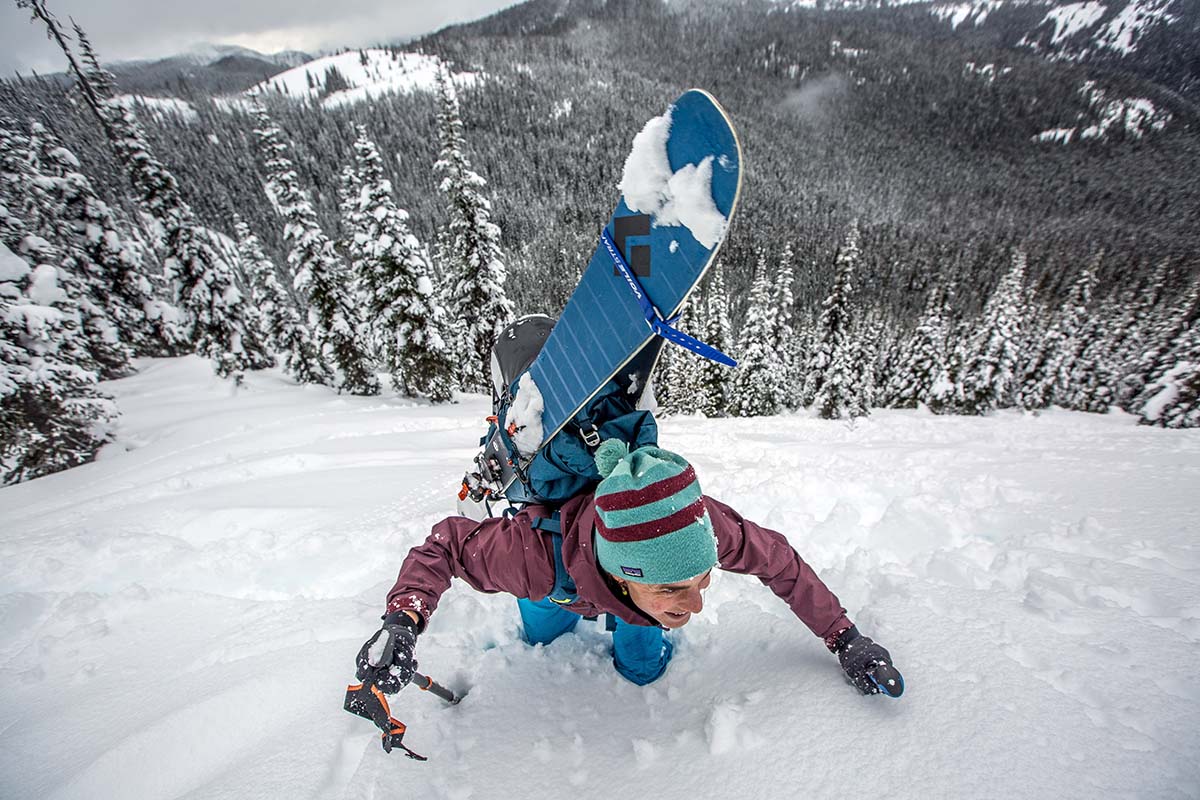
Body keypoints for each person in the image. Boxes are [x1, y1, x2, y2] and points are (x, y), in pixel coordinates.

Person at [355, 439, 902, 695]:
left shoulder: (699, 526)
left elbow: (781, 563)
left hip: (626, 600)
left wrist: (844, 637)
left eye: (702, 578)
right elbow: (447, 545)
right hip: (559, 583)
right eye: (673, 587)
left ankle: (636, 628)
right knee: (544, 634)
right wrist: (403, 621)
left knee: (642, 670)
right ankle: (575, 613)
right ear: (624, 574)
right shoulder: (529, 557)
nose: (697, 604)